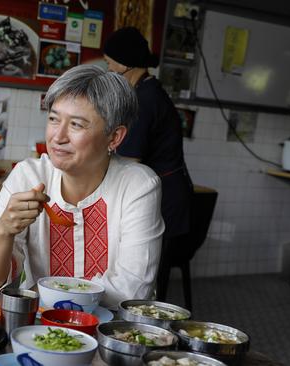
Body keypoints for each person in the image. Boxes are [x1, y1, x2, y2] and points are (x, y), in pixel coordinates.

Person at [0, 64, 165, 308]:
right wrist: (4, 229)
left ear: (114, 137)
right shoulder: (29, 175)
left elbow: (132, 289)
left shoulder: (138, 185)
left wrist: (37, 293)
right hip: (38, 331)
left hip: (113, 334)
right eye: (54, 119)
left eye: (76, 124)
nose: (58, 136)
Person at [103, 27, 194, 296]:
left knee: (148, 280)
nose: (108, 71)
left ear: (124, 65)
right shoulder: (147, 91)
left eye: (109, 65)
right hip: (168, 192)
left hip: (164, 200)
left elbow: (128, 161)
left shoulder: (143, 100)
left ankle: (151, 332)